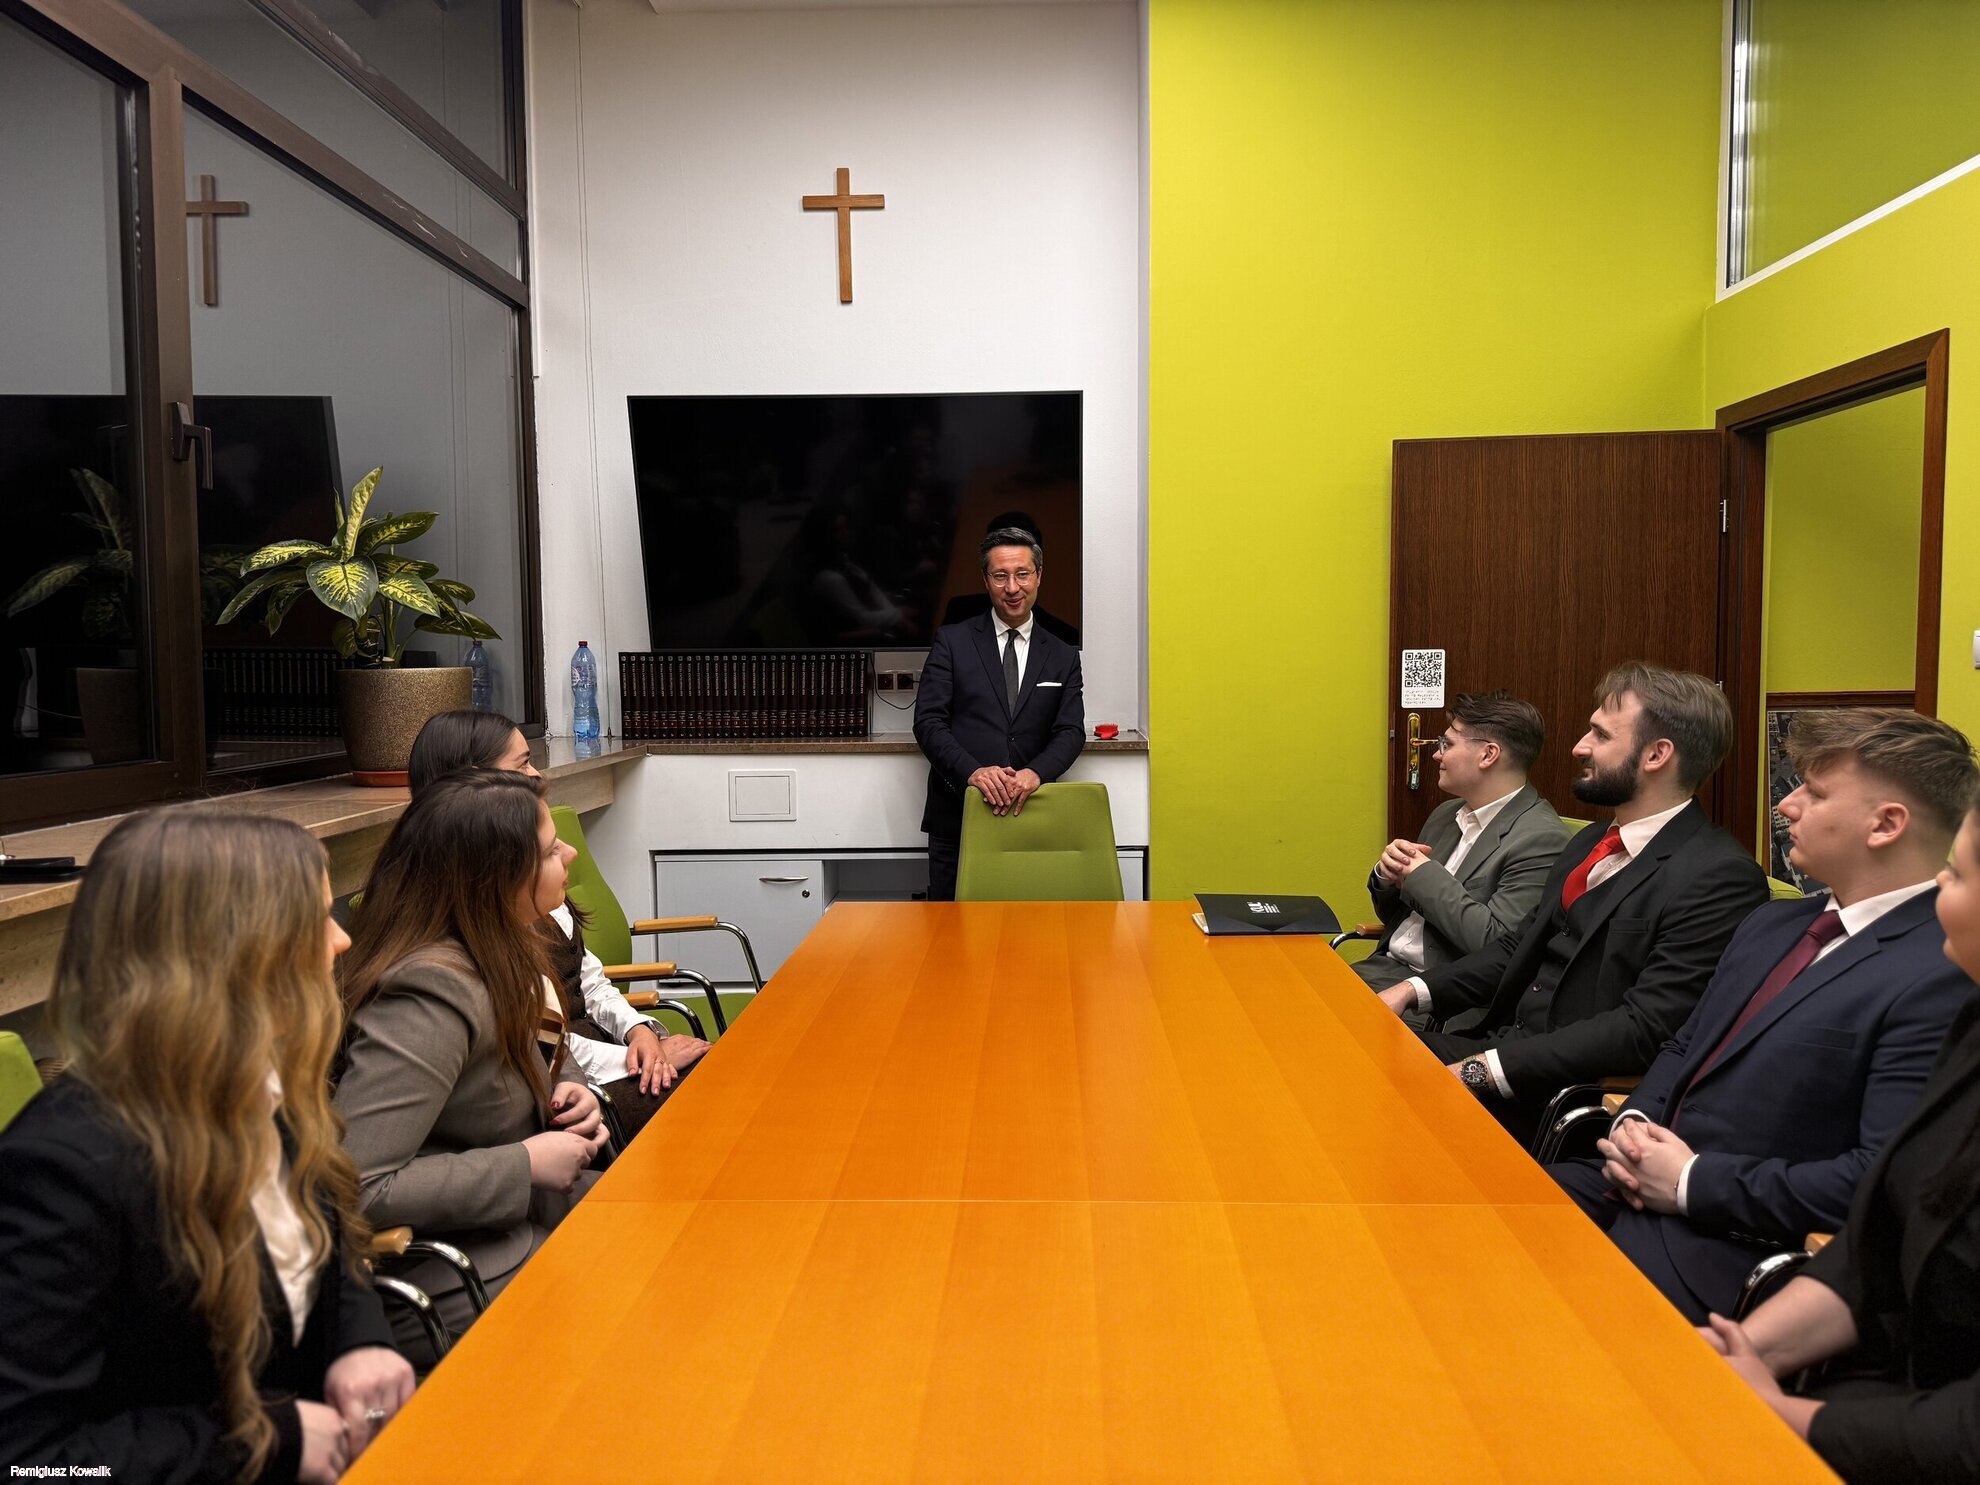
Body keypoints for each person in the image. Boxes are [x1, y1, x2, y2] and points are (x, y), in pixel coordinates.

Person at [0, 806, 412, 1484]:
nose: (342, 940)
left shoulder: (258, 1090)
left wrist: (359, 1340)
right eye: (316, 920)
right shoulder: (64, 1168)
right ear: (236, 955)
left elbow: (323, 1248)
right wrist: (262, 1442)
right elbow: (29, 1465)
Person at [1550, 709, 1977, 1320]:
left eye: (1815, 792)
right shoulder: (1774, 923)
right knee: (1461, 1219)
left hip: (1729, 1247)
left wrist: (1690, 1181)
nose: (1786, 805)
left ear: (1886, 824)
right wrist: (1634, 1124)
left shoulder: (1941, 970)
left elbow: (1879, 1181)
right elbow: (1685, 1046)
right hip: (1625, 1183)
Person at [1706, 786, 1980, 1481]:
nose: (1938, 887)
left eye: (1956, 874)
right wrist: (1743, 1351)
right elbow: (1876, 1234)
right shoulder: (1973, 1025)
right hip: (1880, 1385)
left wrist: (1786, 1414)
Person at [1376, 662, 1770, 1144]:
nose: (1579, 747)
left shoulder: (1719, 876)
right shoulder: (1589, 842)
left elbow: (1644, 1028)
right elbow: (1515, 949)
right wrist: (1411, 991)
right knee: (1350, 1046)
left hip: (1559, 1096)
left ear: (1657, 755)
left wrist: (1483, 1070)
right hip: (1496, 1048)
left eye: (1600, 735)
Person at [334, 770, 612, 1350]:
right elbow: (360, 1185)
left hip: (520, 1221)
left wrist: (574, 1090)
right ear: (496, 879)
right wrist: (523, 1165)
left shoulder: (503, 944)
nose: (568, 853)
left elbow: (539, 1048)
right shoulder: (427, 992)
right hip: (452, 1265)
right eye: (548, 851)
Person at [406, 709, 709, 1139]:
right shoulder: (477, 919)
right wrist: (638, 1058)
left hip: (587, 1059)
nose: (536, 775)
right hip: (562, 1088)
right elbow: (536, 1044)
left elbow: (589, 981)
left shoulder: (531, 887)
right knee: (705, 1089)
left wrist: (638, 1030)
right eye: (523, 764)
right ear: (477, 783)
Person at [913, 524, 1086, 901]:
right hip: (958, 817)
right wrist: (973, 772)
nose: (1012, 587)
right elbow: (928, 722)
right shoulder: (952, 641)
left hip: (1033, 816)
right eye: (1000, 576)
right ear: (985, 580)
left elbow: (1071, 731)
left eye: (1022, 574)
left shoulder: (1062, 654)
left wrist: (1034, 773)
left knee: (1030, 931)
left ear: (1038, 576)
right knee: (952, 931)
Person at [1353, 689, 1569, 990]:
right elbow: (1398, 917)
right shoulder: (1446, 814)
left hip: (1438, 994)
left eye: (1447, 744)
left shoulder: (1542, 839)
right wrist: (1387, 876)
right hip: (1383, 968)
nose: (1436, 754)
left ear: (1488, 754)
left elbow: (1498, 946)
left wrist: (1422, 875)